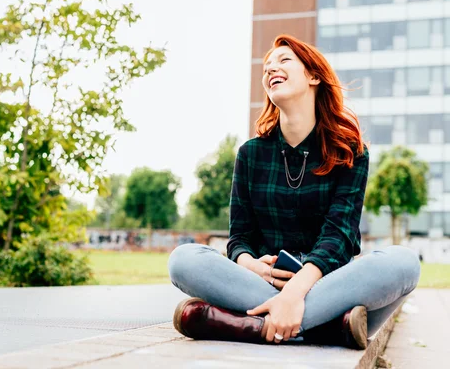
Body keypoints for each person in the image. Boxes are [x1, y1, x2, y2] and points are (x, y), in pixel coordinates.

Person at [168, 34, 420, 349]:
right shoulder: (250, 154)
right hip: (263, 281)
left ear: (314, 75)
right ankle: (328, 328)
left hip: (327, 280)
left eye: (284, 61)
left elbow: (339, 236)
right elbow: (239, 239)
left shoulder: (350, 151)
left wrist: (294, 293)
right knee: (184, 259)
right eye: (266, 67)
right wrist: (251, 264)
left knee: (404, 262)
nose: (271, 68)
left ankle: (253, 326)